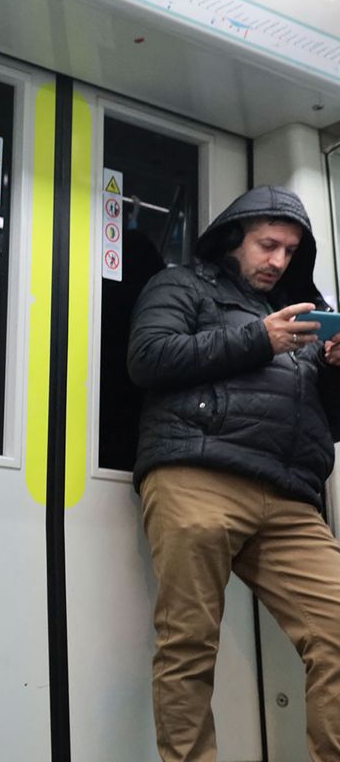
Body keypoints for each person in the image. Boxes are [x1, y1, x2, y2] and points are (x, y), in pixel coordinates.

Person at [128, 185, 340, 762]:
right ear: (233, 240)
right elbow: (148, 357)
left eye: (291, 251)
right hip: (199, 472)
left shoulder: (299, 315)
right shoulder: (182, 285)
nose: (279, 261)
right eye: (268, 245)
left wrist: (335, 369)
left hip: (290, 496)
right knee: (190, 647)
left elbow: (329, 421)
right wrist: (258, 338)